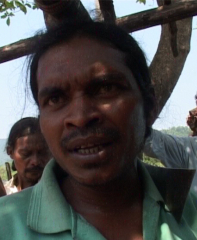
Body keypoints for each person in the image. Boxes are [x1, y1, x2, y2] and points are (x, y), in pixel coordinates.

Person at [0, 21, 197, 240]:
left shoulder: (192, 215)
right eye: (55, 98)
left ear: (149, 106)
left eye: (105, 88)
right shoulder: (6, 225)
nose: (81, 117)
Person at [3, 117, 51, 195]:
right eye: (26, 154)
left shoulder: (61, 193)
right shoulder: (5, 193)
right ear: (10, 152)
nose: (35, 161)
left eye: (41, 153)